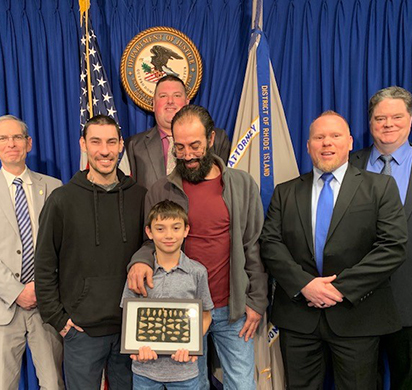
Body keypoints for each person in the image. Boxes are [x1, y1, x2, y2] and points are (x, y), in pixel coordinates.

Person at [260, 111, 407, 389]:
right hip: (298, 317)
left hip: (358, 317)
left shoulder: (380, 187)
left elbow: (393, 246)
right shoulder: (285, 192)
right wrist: (305, 285)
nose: (327, 143)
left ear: (350, 142)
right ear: (308, 145)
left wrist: (340, 288)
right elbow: (270, 244)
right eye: (319, 137)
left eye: (335, 136)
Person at [127, 105, 268, 389]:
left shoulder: (241, 184)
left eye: (195, 145)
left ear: (211, 139)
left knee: (242, 383)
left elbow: (254, 245)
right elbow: (148, 240)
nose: (187, 155)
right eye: (179, 147)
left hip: (233, 308)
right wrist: (139, 261)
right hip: (182, 310)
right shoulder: (160, 190)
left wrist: (257, 301)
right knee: (194, 385)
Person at [35, 115, 146, 389]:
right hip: (81, 332)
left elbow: (152, 248)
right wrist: (60, 321)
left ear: (121, 145)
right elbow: (44, 265)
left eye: (111, 142)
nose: (105, 151)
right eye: (96, 142)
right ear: (83, 144)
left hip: (129, 330)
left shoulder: (140, 196)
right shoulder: (62, 199)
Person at [350, 86, 412, 389]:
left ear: (410, 120)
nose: (388, 124)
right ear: (370, 122)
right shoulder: (346, 164)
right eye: (380, 118)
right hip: (356, 302)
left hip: (409, 300)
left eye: (397, 117)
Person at [121, 200, 214, 390]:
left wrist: (192, 343)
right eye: (160, 229)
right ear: (149, 232)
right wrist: (135, 347)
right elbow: (129, 316)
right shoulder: (138, 273)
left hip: (184, 371)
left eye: (176, 228)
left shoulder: (197, 272)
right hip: (145, 370)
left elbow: (206, 315)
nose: (169, 235)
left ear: (186, 230)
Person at [0, 115, 64, 389]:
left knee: (53, 383)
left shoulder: (53, 188)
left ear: (29, 143)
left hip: (46, 305)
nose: (10, 144)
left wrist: (41, 287)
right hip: (4, 306)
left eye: (17, 138)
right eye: (3, 138)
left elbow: (64, 246)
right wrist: (15, 291)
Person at [123, 75, 231, 190]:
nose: (170, 101)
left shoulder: (217, 139)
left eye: (177, 95)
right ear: (153, 104)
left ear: (187, 102)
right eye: (163, 96)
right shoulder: (133, 145)